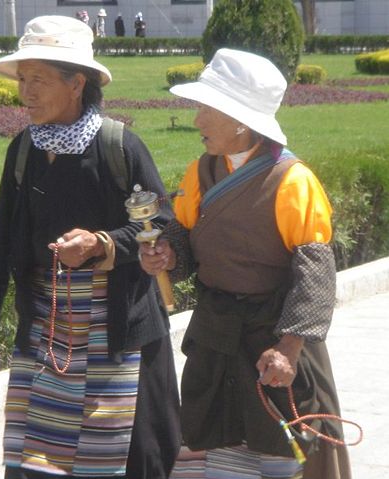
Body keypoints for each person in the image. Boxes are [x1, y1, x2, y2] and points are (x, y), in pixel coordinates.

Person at [0, 15, 181, 479]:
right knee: (39, 460)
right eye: (23, 79)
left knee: (129, 458)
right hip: (46, 334)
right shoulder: (23, 149)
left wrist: (102, 243)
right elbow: (2, 238)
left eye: (39, 80)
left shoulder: (119, 146)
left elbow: (160, 223)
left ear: (76, 83)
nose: (26, 92)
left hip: (118, 333)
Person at [139, 48, 352, 479]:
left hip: (274, 341)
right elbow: (184, 234)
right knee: (220, 448)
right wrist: (167, 253)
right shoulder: (199, 172)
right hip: (217, 336)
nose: (196, 120)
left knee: (283, 452)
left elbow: (314, 276)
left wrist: (290, 349)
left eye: (206, 108)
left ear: (240, 120)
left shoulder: (292, 181)